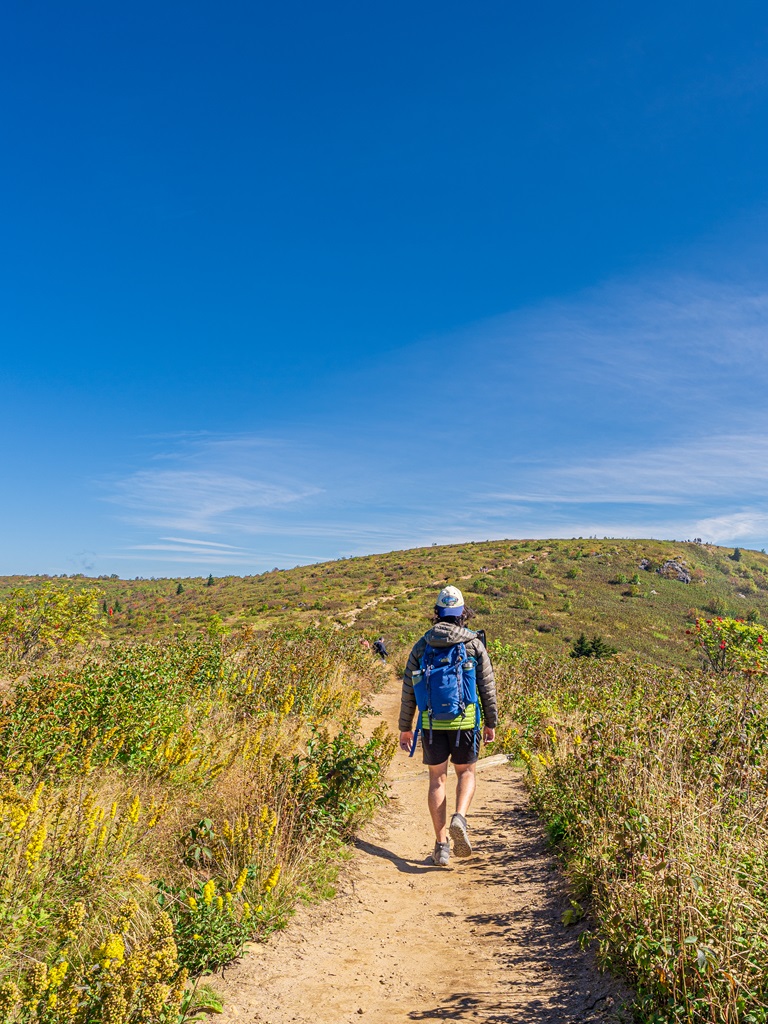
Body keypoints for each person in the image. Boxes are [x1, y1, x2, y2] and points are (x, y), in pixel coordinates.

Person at [399, 585, 497, 867]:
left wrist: (406, 727)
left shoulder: (423, 644)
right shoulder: (473, 643)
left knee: (437, 779)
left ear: (437, 613)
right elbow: (487, 688)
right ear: (462, 613)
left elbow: (409, 688)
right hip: (465, 721)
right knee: (466, 772)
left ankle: (441, 846)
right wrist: (491, 722)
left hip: (430, 723)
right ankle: (460, 817)